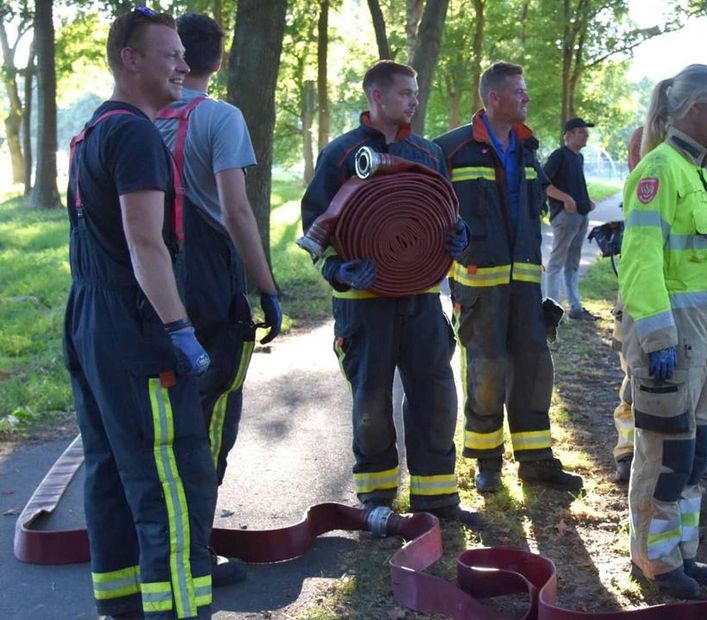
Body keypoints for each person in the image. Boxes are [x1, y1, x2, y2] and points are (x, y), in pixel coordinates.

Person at [64, 9, 216, 618]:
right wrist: (179, 330)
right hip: (135, 328)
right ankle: (179, 610)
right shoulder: (133, 135)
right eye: (170, 54)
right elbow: (143, 241)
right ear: (131, 59)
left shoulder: (94, 130)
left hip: (92, 322)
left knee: (112, 474)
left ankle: (123, 607)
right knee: (172, 481)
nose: (184, 65)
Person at [300, 60, 475, 522]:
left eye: (415, 93)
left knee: (435, 393)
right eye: (404, 93)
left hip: (420, 298)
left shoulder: (426, 152)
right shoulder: (341, 155)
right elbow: (314, 228)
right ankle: (376, 500)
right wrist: (339, 270)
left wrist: (458, 236)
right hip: (364, 304)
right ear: (376, 97)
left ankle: (437, 498)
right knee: (371, 400)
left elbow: (445, 211)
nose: (413, 100)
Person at [154, 12, 281, 585]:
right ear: (219, 60)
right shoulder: (220, 118)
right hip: (208, 288)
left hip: (147, 284)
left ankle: (156, 545)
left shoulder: (136, 117)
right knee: (209, 419)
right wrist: (266, 287)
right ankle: (195, 557)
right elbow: (235, 211)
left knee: (157, 421)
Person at [434, 62, 584, 494]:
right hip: (479, 286)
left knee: (534, 366)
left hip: (525, 285)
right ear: (494, 97)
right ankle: (487, 462)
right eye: (519, 91)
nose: (527, 98)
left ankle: (536, 461)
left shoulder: (528, 148)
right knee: (487, 369)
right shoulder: (450, 150)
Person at [619, 64, 707, 599]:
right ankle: (655, 563)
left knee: (696, 454)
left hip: (704, 339)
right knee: (666, 459)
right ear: (696, 107)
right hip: (671, 341)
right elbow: (640, 263)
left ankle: (682, 554)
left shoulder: (696, 172)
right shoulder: (659, 172)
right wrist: (658, 339)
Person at [610, 127, 645, 483]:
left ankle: (662, 456)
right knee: (633, 379)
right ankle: (627, 451)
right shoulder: (644, 137)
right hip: (637, 290)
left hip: (689, 294)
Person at [543, 117, 597, 321]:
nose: (586, 135)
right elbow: (543, 183)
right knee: (556, 263)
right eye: (582, 131)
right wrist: (565, 198)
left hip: (581, 217)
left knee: (572, 263)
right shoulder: (560, 155)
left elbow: (574, 184)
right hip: (565, 218)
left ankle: (575, 307)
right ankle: (551, 312)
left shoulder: (578, 157)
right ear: (570, 134)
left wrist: (586, 200)